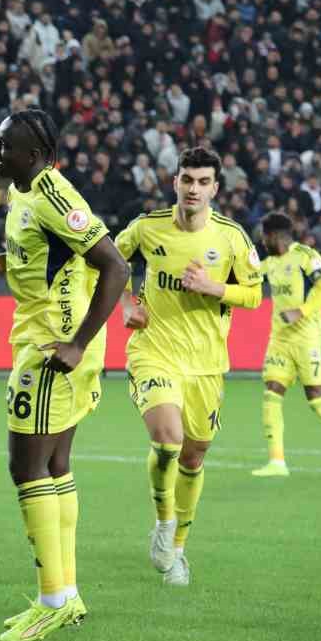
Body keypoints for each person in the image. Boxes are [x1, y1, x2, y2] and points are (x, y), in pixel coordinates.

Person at [0, 108, 128, 641]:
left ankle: (48, 601)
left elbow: (115, 266)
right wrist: (6, 263)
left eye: (6, 146)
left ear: (35, 155)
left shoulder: (57, 197)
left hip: (54, 349)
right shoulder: (23, 191)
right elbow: (50, 256)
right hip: (42, 336)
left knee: (26, 467)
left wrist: (78, 343)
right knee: (57, 464)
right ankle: (66, 596)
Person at [115, 146, 263, 586]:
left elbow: (254, 295)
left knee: (194, 456)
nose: (193, 188)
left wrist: (214, 287)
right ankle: (163, 522)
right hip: (154, 351)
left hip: (207, 364)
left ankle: (177, 548)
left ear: (216, 188)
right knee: (168, 440)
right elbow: (107, 261)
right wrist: (126, 302)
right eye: (187, 180)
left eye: (202, 182)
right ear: (174, 181)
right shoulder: (146, 227)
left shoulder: (232, 237)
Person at [251, 213, 321, 477]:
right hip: (280, 339)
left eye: (265, 235)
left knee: (316, 398)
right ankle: (277, 461)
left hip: (308, 338)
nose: (262, 241)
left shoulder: (306, 256)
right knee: (272, 393)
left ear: (276, 236)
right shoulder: (270, 263)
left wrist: (302, 310)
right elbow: (244, 278)